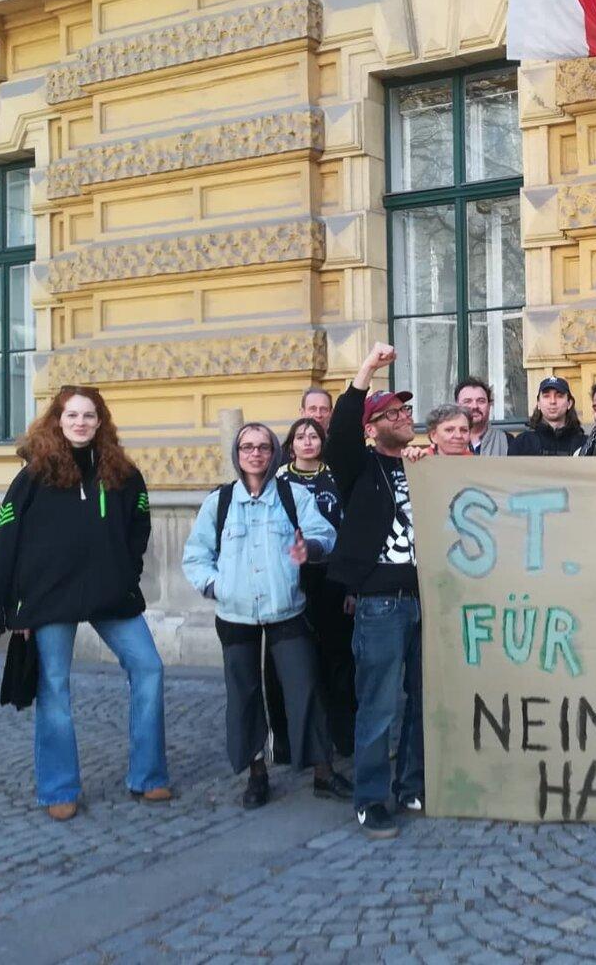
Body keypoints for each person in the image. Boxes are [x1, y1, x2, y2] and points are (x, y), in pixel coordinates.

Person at [0, 386, 169, 821]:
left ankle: (149, 776)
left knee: (149, 668)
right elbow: (6, 540)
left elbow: (140, 523)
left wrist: (125, 573)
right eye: (72, 415)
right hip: (49, 598)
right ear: (57, 421)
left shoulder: (124, 474)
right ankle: (58, 788)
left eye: (88, 416)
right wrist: (8, 609)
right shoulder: (33, 477)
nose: (80, 422)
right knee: (55, 689)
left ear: (100, 422)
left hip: (111, 595)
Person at [182, 423, 349, 810]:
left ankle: (322, 771)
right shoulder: (220, 502)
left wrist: (313, 549)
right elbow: (196, 556)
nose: (255, 454)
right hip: (235, 613)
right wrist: (217, 586)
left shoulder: (292, 496)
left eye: (263, 447)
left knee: (304, 686)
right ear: (237, 454)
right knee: (243, 694)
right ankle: (256, 774)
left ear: (275, 452)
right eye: (247, 447)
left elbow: (325, 534)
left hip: (286, 608)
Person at [325, 345, 424, 838]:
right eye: (392, 413)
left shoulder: (421, 467)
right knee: (380, 703)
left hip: (426, 601)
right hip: (381, 606)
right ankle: (370, 797)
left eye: (406, 410)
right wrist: (367, 370)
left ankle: (411, 784)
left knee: (422, 699)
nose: (404, 417)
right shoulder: (358, 467)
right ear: (371, 428)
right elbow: (340, 430)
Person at [279, 417, 354, 757]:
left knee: (338, 660)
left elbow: (351, 527)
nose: (307, 441)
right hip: (290, 579)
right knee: (294, 662)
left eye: (313, 435)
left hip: (333, 577)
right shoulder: (278, 479)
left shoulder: (337, 475)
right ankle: (292, 740)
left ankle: (342, 735)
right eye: (300, 436)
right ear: (291, 444)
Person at [508, 377, 587, 455]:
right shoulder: (522, 443)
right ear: (538, 403)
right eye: (546, 396)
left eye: (559, 396)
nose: (552, 401)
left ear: (569, 403)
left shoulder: (585, 444)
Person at [455, 377, 511, 456]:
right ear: (457, 406)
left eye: (481, 401)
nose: (474, 406)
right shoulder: (445, 442)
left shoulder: (506, 441)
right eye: (467, 401)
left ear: (489, 405)